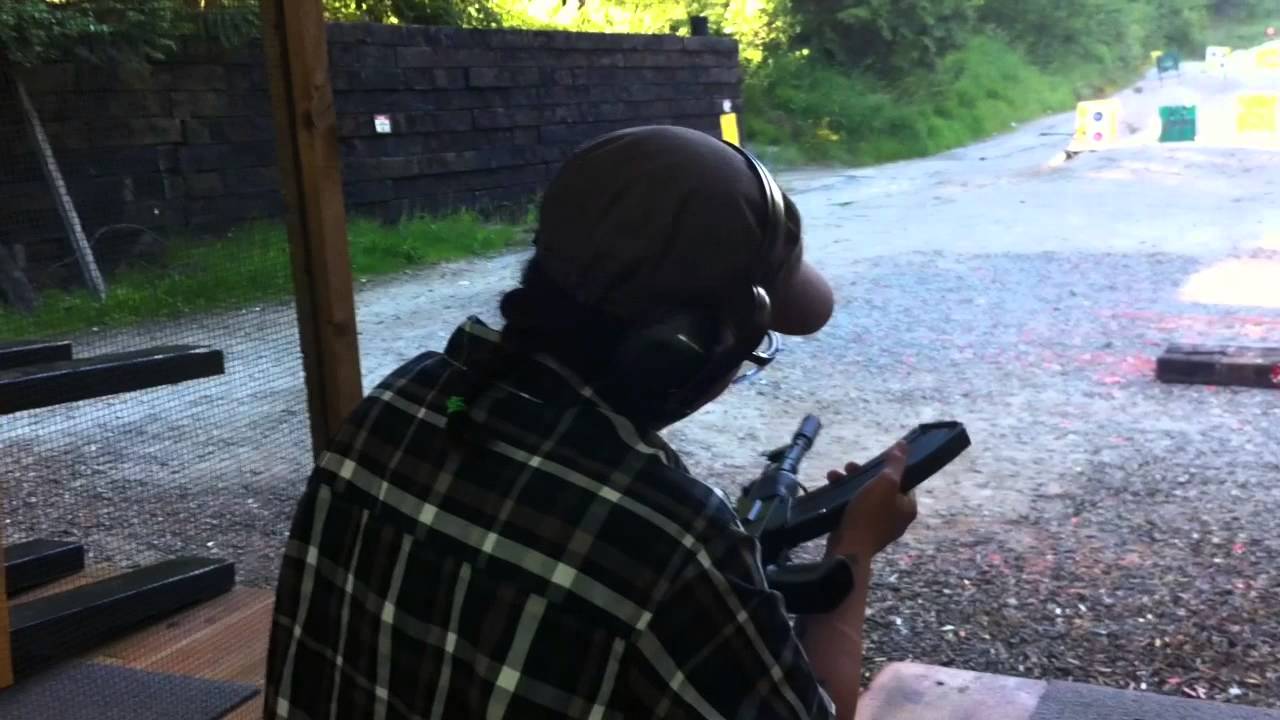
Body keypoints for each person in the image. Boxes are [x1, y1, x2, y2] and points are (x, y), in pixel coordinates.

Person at [263, 125, 917, 720]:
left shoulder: (409, 401)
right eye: (749, 347)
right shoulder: (672, 541)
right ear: (680, 350)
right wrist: (853, 550)